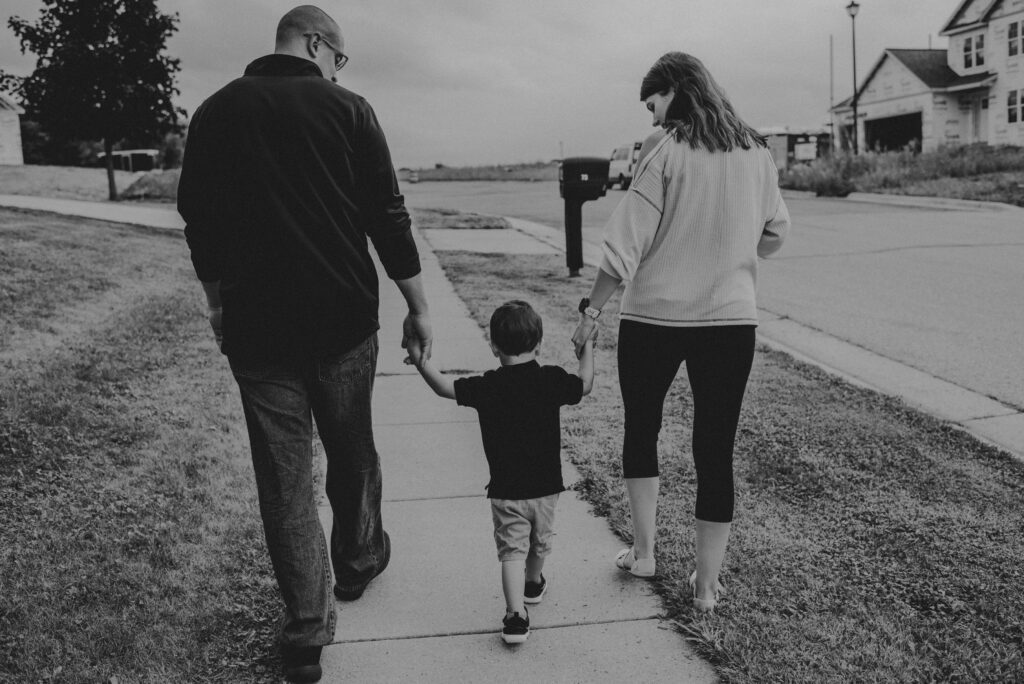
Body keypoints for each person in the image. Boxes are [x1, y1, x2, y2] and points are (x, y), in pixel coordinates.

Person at [177, 6, 431, 682]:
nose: (337, 70)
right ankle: (357, 560)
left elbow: (197, 219)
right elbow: (387, 215)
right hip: (344, 319)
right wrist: (418, 304)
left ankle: (307, 631)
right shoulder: (350, 111)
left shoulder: (215, 113)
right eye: (338, 58)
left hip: (257, 330)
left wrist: (216, 302)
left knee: (284, 480)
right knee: (352, 448)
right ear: (318, 45)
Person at [571, 52, 790, 614]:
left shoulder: (663, 150)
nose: (651, 118)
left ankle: (644, 554)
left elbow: (626, 242)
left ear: (676, 89)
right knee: (714, 449)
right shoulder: (757, 152)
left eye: (654, 103)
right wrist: (734, 249)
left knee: (642, 430)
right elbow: (775, 232)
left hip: (653, 320)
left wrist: (590, 312)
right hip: (730, 322)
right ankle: (706, 587)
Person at [406, 300, 595, 644]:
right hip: (546, 488)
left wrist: (421, 361)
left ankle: (515, 616)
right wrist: (588, 348)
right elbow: (584, 384)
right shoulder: (550, 379)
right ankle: (533, 584)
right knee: (540, 541)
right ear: (538, 345)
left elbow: (443, 387)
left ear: (493, 347)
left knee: (512, 552)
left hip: (506, 491)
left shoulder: (488, 385)